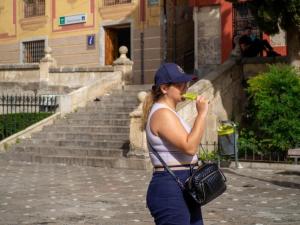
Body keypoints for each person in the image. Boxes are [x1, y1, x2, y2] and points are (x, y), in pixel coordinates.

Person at [142, 63, 209, 225]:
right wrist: (201, 114)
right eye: (180, 84)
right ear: (164, 88)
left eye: (186, 82)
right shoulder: (161, 113)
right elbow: (190, 147)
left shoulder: (170, 112)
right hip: (170, 187)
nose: (185, 87)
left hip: (185, 184)